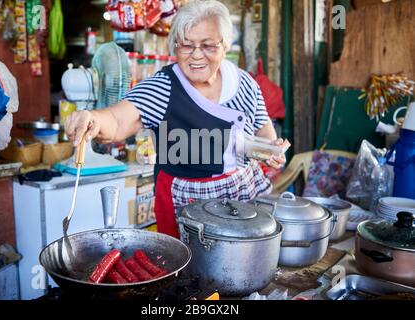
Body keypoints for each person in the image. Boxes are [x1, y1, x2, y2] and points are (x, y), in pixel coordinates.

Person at [65, 0, 287, 238]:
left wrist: (271, 150)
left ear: (225, 46)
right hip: (185, 203)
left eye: (208, 45)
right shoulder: (163, 88)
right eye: (186, 46)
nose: (196, 55)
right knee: (185, 271)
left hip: (243, 200)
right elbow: (118, 120)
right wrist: (93, 118)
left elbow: (263, 131)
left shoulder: (244, 84)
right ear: (175, 47)